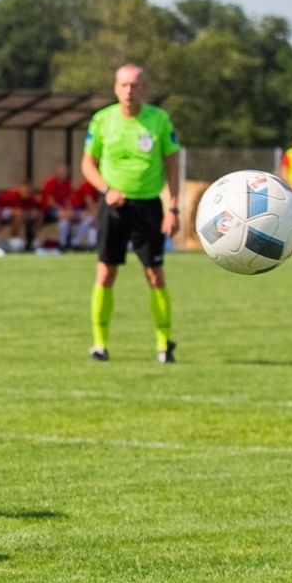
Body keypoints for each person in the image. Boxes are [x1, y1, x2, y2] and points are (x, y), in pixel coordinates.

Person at [81, 63, 180, 364]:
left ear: (144, 89)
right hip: (113, 207)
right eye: (123, 85)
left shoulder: (159, 120)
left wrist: (173, 207)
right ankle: (99, 344)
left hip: (148, 205)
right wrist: (105, 189)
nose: (129, 90)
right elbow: (88, 164)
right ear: (115, 88)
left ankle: (164, 344)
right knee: (105, 272)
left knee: (155, 275)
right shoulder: (102, 120)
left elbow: (172, 165)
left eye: (135, 85)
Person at [40, 163, 75, 250]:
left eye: (65, 172)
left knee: (78, 217)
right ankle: (62, 244)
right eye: (61, 172)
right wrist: (62, 210)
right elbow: (50, 202)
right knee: (64, 217)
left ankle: (72, 243)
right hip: (49, 211)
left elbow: (68, 200)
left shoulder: (67, 184)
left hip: (62, 211)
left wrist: (70, 210)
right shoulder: (50, 183)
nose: (63, 174)